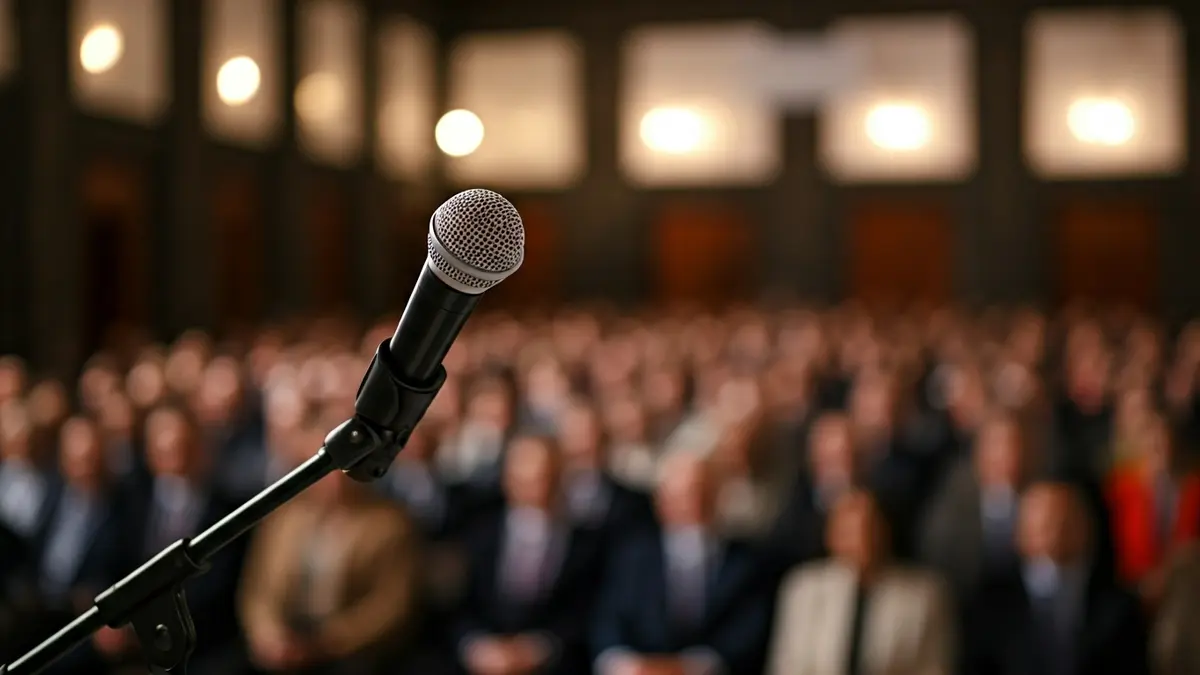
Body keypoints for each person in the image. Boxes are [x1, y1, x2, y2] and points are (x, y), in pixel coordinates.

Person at [592, 452, 774, 675]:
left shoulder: (746, 562)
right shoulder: (632, 556)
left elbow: (746, 634)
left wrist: (687, 668)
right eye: (682, 495)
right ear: (661, 501)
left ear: (718, 496)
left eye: (701, 492)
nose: (693, 503)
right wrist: (631, 666)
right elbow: (609, 621)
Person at [240, 456, 419, 675]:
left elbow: (390, 606)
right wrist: (269, 635)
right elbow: (257, 588)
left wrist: (324, 644)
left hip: (348, 650)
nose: (335, 480)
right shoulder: (284, 518)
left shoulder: (390, 524)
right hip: (284, 641)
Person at [962, 480, 1150, 675]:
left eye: (1067, 522)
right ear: (1019, 533)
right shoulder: (989, 606)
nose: (1056, 532)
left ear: (1089, 529)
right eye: (1045, 524)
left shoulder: (1118, 608)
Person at [454, 435, 605, 675]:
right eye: (522, 478)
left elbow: (587, 612)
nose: (534, 487)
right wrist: (476, 646)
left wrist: (538, 648)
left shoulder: (587, 544)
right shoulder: (477, 535)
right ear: (507, 479)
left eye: (543, 476)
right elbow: (458, 604)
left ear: (559, 478)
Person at [767, 490, 954, 675]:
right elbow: (786, 666)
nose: (861, 539)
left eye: (869, 528)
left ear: (885, 532)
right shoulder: (803, 589)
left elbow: (934, 667)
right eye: (850, 531)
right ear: (831, 536)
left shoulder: (925, 595)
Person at [920, 412, 1029, 599]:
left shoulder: (1044, 493)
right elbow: (938, 558)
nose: (1007, 454)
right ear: (979, 452)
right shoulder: (953, 499)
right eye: (997, 446)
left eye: (1015, 445)